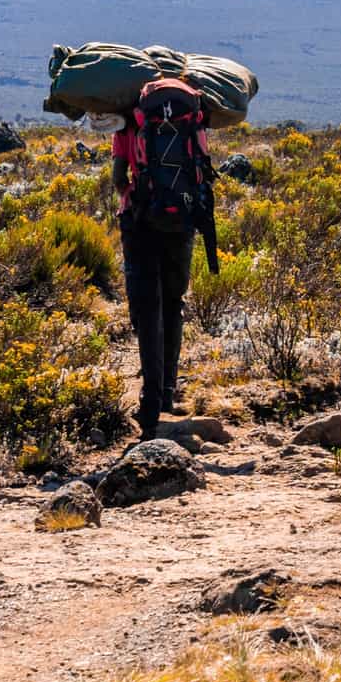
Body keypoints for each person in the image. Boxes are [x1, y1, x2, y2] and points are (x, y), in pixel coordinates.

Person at [113, 78, 218, 439]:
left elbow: (117, 177)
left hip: (140, 220)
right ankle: (169, 393)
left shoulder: (131, 122)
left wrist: (131, 192)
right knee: (173, 302)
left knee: (147, 307)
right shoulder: (194, 119)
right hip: (182, 220)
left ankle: (151, 395)